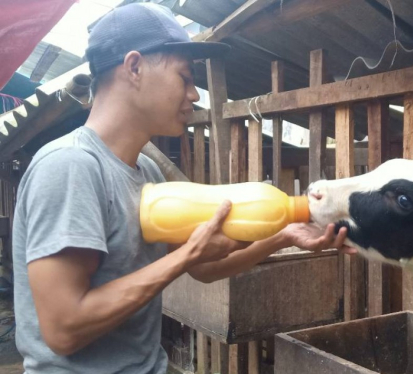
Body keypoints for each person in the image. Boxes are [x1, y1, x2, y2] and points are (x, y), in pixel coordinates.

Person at [12, 3, 351, 373]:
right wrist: (183, 257)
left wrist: (284, 235)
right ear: (135, 67)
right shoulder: (70, 166)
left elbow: (204, 267)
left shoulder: (148, 174)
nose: (194, 95)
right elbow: (63, 329)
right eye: (185, 77)